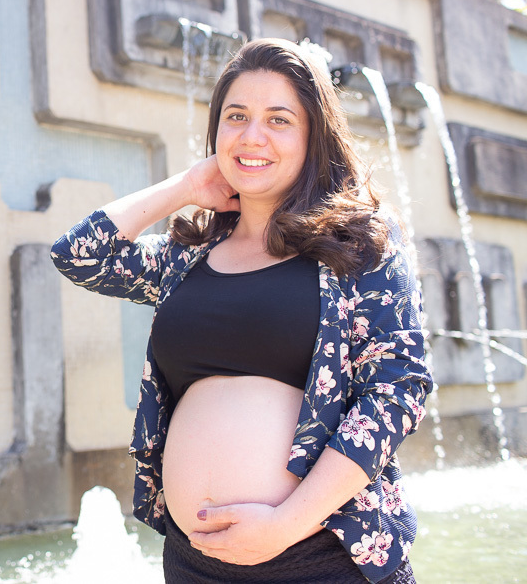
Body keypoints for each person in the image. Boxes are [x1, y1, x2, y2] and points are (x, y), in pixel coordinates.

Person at [50, 38, 430, 583]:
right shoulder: (186, 258)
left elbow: (398, 388)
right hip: (194, 563)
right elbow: (78, 255)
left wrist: (287, 523)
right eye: (237, 117)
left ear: (312, 136)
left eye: (279, 120)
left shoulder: (358, 244)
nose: (253, 136)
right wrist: (185, 186)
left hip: (320, 553)